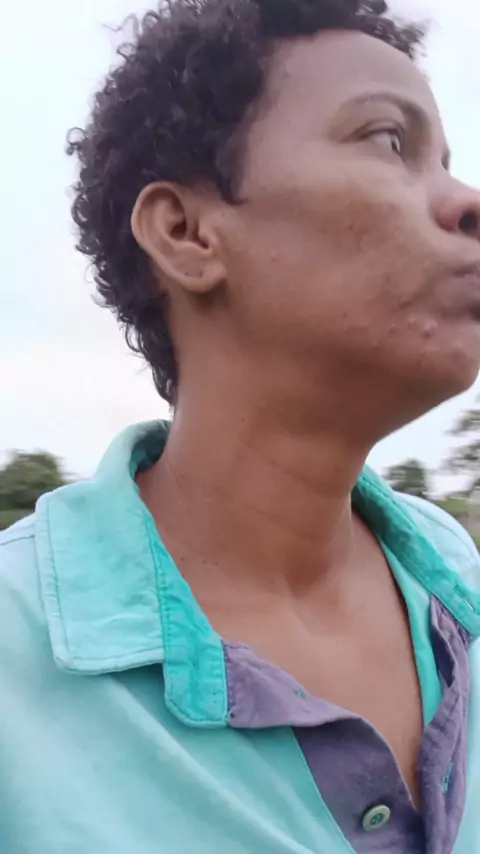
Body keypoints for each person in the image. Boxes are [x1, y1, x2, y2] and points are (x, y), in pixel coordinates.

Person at [2, 0, 480, 851]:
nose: (467, 201)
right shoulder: (16, 657)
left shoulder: (457, 578)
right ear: (186, 233)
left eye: (446, 160)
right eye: (388, 141)